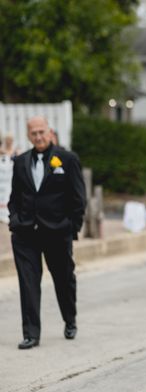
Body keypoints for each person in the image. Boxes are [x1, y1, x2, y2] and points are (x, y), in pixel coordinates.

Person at [8, 116, 86, 349]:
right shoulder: (21, 161)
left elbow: (78, 197)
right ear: (28, 135)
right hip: (26, 234)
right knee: (28, 284)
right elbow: (15, 196)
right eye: (34, 133)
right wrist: (14, 220)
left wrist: (71, 228)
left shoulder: (67, 159)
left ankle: (70, 319)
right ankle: (31, 334)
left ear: (50, 132)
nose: (38, 137)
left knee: (64, 279)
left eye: (42, 132)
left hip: (57, 232)